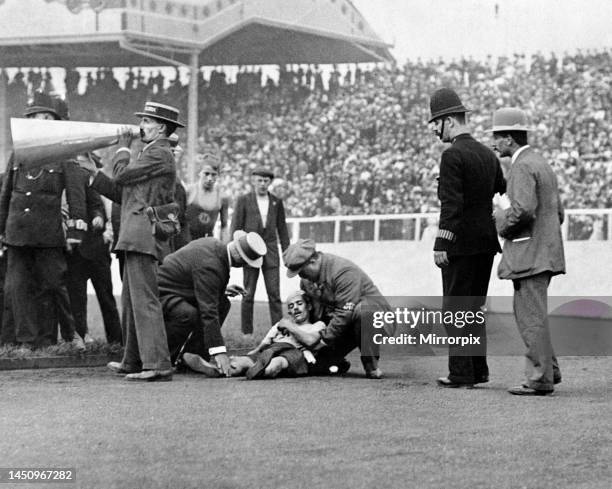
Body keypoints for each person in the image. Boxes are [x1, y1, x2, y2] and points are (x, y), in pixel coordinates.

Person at [87, 101, 184, 382]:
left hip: (144, 234)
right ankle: (133, 360)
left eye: (146, 121)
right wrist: (93, 175)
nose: (141, 125)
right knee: (131, 302)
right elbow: (125, 195)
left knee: (144, 302)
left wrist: (122, 147)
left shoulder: (160, 153)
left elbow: (121, 176)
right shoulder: (152, 153)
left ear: (161, 128)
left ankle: (158, 363)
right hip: (136, 233)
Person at [428, 87, 506, 388]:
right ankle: (478, 370)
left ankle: (460, 373)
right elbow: (501, 191)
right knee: (473, 308)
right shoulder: (488, 153)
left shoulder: (452, 156)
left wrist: (442, 242)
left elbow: (452, 205)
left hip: (460, 244)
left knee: (455, 309)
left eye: (436, 122)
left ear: (449, 120)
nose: (434, 128)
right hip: (485, 244)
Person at [0, 92, 87, 349]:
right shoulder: (18, 153)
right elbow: (6, 193)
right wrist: (1, 228)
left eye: (46, 117)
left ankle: (67, 336)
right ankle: (27, 341)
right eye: (36, 117)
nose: (40, 121)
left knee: (53, 284)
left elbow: (76, 196)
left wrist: (76, 230)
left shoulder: (65, 154)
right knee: (17, 288)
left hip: (48, 234)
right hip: (17, 232)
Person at [490, 107, 565, 396]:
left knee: (529, 316)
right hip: (545, 251)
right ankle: (550, 370)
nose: (494, 144)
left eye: (496, 137)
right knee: (535, 314)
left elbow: (522, 211)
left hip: (529, 255)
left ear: (509, 138)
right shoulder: (541, 162)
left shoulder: (520, 166)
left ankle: (539, 379)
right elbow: (558, 212)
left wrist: (498, 221)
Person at [156, 231, 267, 377]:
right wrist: (219, 352)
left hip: (178, 289)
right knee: (187, 314)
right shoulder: (212, 265)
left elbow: (197, 276)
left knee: (223, 304)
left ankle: (193, 356)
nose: (245, 266)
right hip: (161, 293)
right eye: (246, 263)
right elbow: (209, 311)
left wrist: (220, 289)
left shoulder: (215, 246)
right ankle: (162, 360)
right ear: (240, 259)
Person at [282, 239, 389, 379]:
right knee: (316, 364)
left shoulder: (343, 271)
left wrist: (323, 341)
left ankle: (371, 364)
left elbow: (345, 313)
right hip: (342, 322)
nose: (302, 277)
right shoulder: (307, 281)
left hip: (374, 319)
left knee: (363, 312)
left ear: (313, 261)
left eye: (301, 272)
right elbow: (313, 312)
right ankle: (338, 362)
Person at [65, 152, 122, 345]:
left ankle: (116, 341)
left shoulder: (91, 184)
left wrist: (98, 217)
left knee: (106, 298)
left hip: (96, 250)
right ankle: (81, 335)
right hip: (76, 252)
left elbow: (97, 206)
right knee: (77, 299)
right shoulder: (65, 184)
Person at [231, 166, 290, 335]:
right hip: (250, 252)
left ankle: (279, 331)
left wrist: (287, 253)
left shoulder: (276, 202)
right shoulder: (244, 200)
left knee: (274, 294)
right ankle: (246, 332)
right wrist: (236, 252)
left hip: (271, 253)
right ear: (253, 181)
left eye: (266, 181)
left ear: (270, 182)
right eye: (259, 180)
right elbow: (236, 227)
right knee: (248, 294)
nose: (263, 184)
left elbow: (282, 229)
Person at [215, 290, 326, 379]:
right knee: (240, 362)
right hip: (272, 349)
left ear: (309, 307)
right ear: (289, 313)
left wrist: (289, 326)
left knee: (276, 363)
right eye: (291, 306)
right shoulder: (281, 324)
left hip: (294, 352)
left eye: (299, 304)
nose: (295, 308)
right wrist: (257, 350)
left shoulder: (317, 325)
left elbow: (310, 341)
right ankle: (220, 369)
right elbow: (269, 338)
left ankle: (256, 368)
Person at [185, 152, 229, 242]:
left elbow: (224, 227)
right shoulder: (189, 191)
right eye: (206, 174)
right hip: (186, 239)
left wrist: (225, 248)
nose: (210, 178)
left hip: (207, 240)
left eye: (213, 175)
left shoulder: (222, 197)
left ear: (218, 176)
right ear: (199, 173)